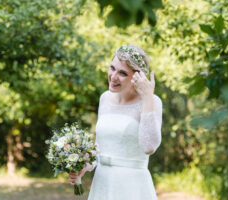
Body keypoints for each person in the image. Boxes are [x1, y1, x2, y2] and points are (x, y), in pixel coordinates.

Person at [69, 44, 162, 200]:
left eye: (122, 73)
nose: (113, 76)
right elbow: (99, 150)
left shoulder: (152, 101)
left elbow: (149, 146)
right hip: (102, 184)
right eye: (112, 68)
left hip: (132, 186)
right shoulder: (105, 98)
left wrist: (147, 97)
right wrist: (84, 166)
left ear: (137, 76)